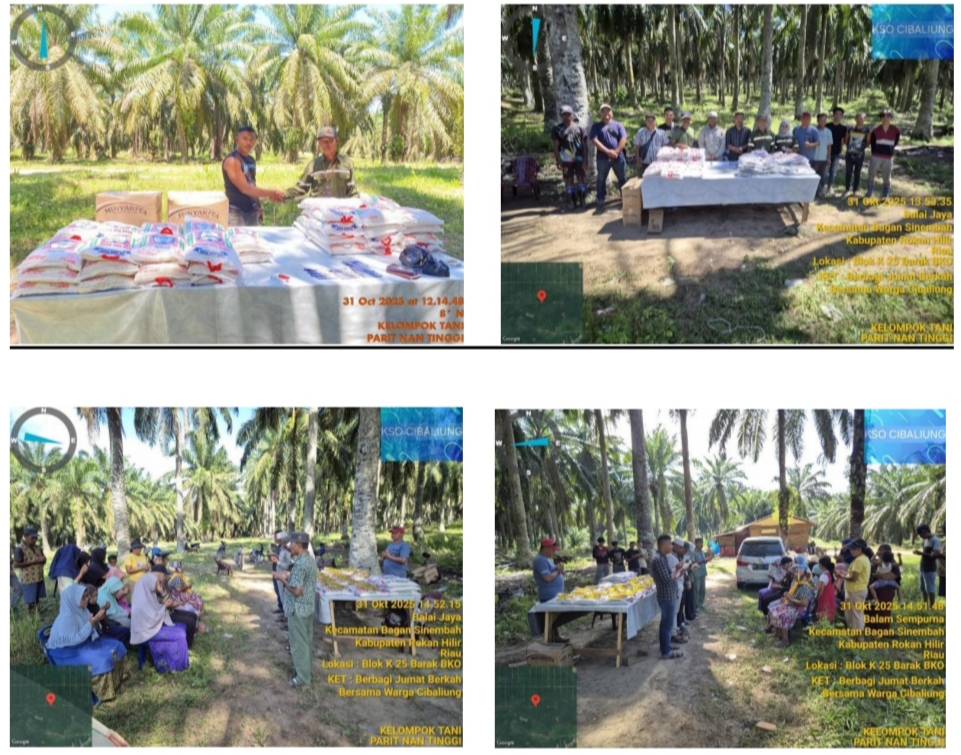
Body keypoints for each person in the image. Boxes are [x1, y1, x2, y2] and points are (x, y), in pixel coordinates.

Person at [46, 584, 128, 701]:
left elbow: (95, 630)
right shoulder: (66, 618)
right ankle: (103, 692)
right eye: (83, 598)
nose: (86, 600)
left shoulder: (82, 610)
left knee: (117, 646)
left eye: (87, 597)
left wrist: (96, 621)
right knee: (103, 659)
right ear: (73, 599)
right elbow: (75, 640)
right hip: (68, 652)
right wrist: (92, 622)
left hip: (84, 643)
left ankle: (118, 678)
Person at [276, 532, 318, 687]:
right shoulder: (309, 561)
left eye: (292, 544)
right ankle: (306, 671)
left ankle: (302, 678)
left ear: (299, 545)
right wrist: (290, 574)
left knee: (299, 643)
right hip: (307, 608)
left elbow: (297, 591)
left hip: (298, 609)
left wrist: (282, 579)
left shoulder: (300, 564)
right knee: (306, 641)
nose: (289, 546)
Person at [222, 125, 285, 227]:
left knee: (252, 241)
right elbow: (245, 188)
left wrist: (258, 206)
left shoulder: (251, 160)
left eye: (251, 139)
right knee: (238, 241)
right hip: (236, 212)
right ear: (237, 139)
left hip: (252, 210)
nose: (248, 142)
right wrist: (270, 193)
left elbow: (252, 183)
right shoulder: (232, 160)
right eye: (245, 138)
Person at [131, 567, 189, 672]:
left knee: (182, 627)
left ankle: (177, 659)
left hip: (152, 628)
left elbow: (160, 605)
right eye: (156, 583)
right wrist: (165, 607)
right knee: (181, 634)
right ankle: (178, 665)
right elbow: (152, 619)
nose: (158, 585)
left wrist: (161, 593)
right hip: (147, 633)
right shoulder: (141, 603)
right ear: (148, 583)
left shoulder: (148, 594)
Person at [282, 126, 359, 200]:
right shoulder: (312, 165)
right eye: (322, 141)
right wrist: (282, 194)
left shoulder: (347, 163)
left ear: (337, 141)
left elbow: (352, 192)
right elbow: (300, 189)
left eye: (330, 140)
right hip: (317, 210)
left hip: (339, 210)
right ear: (319, 143)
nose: (326, 144)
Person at [532, 538, 576, 642]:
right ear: (546, 548)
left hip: (555, 593)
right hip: (548, 594)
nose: (554, 552)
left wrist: (557, 569)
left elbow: (552, 572)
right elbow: (547, 578)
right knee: (551, 618)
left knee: (554, 618)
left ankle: (555, 637)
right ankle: (550, 639)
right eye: (552, 550)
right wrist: (558, 571)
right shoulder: (540, 560)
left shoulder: (547, 559)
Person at [650, 534, 686, 659]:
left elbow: (668, 574)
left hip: (669, 594)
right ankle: (666, 652)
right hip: (666, 596)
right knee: (666, 625)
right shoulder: (659, 559)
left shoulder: (663, 557)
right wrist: (678, 571)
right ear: (664, 545)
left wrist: (677, 568)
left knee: (666, 624)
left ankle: (665, 646)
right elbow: (666, 579)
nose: (671, 546)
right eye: (670, 544)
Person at [589, 104, 628, 208]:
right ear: (600, 114)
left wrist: (616, 151)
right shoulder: (596, 126)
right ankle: (601, 198)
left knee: (622, 178)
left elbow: (623, 138)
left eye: (608, 111)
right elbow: (594, 140)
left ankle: (625, 198)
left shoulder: (618, 125)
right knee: (601, 178)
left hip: (618, 157)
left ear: (612, 113)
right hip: (603, 158)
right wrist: (608, 152)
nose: (606, 114)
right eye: (603, 111)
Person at [766, 570, 816, 646]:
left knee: (783, 615)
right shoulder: (798, 584)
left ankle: (785, 640)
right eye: (798, 575)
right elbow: (793, 596)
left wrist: (790, 599)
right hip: (794, 605)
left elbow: (804, 603)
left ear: (806, 577)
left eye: (801, 576)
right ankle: (778, 633)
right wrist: (787, 596)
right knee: (774, 610)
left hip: (802, 609)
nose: (797, 577)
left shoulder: (806, 587)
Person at [552, 105, 588, 208]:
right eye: (564, 114)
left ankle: (582, 199)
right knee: (569, 178)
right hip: (566, 158)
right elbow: (556, 146)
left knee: (581, 177)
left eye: (568, 114)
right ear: (561, 115)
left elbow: (585, 145)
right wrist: (558, 161)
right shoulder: (557, 129)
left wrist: (585, 159)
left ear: (572, 115)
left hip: (579, 157)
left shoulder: (580, 128)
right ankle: (571, 201)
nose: (566, 116)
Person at [866, 109, 900, 199]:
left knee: (887, 177)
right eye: (883, 116)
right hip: (876, 156)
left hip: (888, 157)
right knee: (871, 174)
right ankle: (869, 193)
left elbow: (895, 142)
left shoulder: (896, 130)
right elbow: (872, 143)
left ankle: (885, 195)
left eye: (888, 116)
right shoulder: (875, 130)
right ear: (881, 118)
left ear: (891, 118)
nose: (886, 118)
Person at [13, 526, 46, 613]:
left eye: (36, 537)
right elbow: (16, 564)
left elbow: (42, 558)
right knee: (29, 598)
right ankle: (28, 614)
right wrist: (34, 561)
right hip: (28, 578)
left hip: (38, 576)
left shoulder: (37, 548)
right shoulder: (20, 548)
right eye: (32, 537)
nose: (34, 539)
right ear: (25, 536)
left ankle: (36, 612)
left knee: (37, 596)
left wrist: (43, 560)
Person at [842, 539, 871, 636]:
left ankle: (859, 638)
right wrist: (846, 574)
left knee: (855, 616)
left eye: (852, 549)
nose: (851, 551)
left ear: (859, 549)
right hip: (858, 590)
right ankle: (855, 637)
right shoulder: (864, 558)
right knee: (855, 614)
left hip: (855, 591)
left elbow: (854, 578)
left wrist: (842, 576)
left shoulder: (859, 560)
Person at [167, 575, 204, 646]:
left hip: (170, 609)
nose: (168, 576)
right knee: (190, 620)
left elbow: (168, 601)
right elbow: (165, 604)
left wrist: (175, 603)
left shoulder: (164, 584)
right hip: (166, 614)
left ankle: (195, 629)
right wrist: (173, 604)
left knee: (193, 615)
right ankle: (188, 645)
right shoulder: (174, 578)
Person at [913, 524, 941, 608]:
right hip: (923, 567)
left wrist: (920, 553)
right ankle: (925, 605)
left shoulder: (935, 540)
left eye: (921, 535)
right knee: (923, 588)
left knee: (930, 588)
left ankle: (932, 606)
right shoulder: (926, 540)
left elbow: (935, 555)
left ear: (925, 532)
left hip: (930, 568)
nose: (921, 537)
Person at [825, 107, 848, 193]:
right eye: (836, 114)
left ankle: (829, 187)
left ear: (842, 116)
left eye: (840, 114)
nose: (838, 116)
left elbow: (844, 140)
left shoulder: (843, 128)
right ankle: (822, 186)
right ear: (833, 115)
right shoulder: (827, 126)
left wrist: (841, 150)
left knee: (833, 172)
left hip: (837, 152)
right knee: (825, 171)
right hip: (826, 152)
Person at [812, 113, 833, 197]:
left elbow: (829, 146)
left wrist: (828, 158)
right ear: (817, 121)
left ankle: (820, 191)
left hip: (823, 158)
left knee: (822, 176)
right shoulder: (813, 130)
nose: (822, 122)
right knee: (813, 176)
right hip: (814, 158)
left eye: (824, 120)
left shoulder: (828, 132)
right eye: (820, 120)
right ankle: (812, 192)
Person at [692, 538, 713, 611]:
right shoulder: (693, 553)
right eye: (700, 543)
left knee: (702, 590)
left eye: (702, 543)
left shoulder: (701, 552)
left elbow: (704, 562)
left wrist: (708, 559)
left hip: (703, 573)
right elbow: (693, 563)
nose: (702, 545)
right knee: (696, 591)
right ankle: (696, 606)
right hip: (697, 573)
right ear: (696, 543)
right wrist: (704, 560)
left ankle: (701, 604)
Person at [814, 556, 836, 622]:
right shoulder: (830, 574)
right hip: (830, 597)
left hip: (824, 598)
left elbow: (821, 590)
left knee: (822, 616)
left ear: (821, 565)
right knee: (828, 615)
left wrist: (817, 598)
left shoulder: (823, 576)